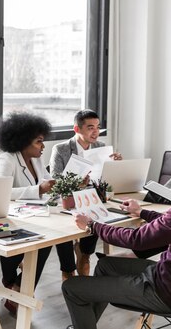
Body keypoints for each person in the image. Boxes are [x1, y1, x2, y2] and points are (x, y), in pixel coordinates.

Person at [61, 127, 171, 329]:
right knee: (106, 266)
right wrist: (143, 212)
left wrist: (92, 225)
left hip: (167, 292)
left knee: (71, 288)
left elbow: (137, 239)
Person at [0, 112, 59, 315]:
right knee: (30, 241)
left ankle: (18, 287)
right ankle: (12, 281)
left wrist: (59, 186)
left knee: (47, 241)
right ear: (22, 141)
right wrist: (38, 189)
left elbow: (47, 184)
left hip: (31, 218)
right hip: (5, 222)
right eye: (39, 142)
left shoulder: (37, 160)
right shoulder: (7, 159)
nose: (43, 146)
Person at [49, 109, 120, 276]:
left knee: (96, 212)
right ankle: (67, 269)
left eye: (98, 127)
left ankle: (85, 255)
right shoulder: (61, 149)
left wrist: (115, 166)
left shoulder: (101, 147)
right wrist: (76, 183)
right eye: (90, 127)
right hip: (67, 200)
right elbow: (55, 182)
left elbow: (105, 180)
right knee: (62, 225)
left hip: (90, 198)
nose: (96, 132)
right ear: (77, 129)